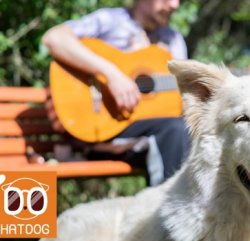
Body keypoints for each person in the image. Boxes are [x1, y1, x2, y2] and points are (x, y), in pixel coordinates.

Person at [42, 0, 190, 186]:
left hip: (155, 131)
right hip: (104, 132)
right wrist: (110, 74)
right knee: (173, 130)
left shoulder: (173, 40)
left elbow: (184, 98)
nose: (175, 5)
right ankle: (168, 210)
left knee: (183, 130)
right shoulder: (110, 20)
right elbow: (54, 38)